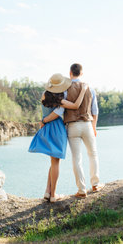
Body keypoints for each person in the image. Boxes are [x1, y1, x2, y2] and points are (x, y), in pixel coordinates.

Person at [42, 63, 104, 198]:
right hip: (87, 124)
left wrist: (44, 120)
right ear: (81, 73)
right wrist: (94, 127)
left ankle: (81, 190)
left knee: (77, 158)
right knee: (93, 154)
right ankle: (95, 184)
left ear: (70, 73)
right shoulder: (90, 88)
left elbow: (61, 110)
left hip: (72, 126)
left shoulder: (64, 90)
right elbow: (95, 110)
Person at [28, 73, 88, 202]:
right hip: (57, 129)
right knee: (56, 163)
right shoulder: (60, 101)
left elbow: (47, 113)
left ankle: (47, 192)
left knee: (53, 162)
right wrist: (83, 90)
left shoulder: (44, 95)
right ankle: (54, 195)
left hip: (47, 128)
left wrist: (44, 120)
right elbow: (76, 105)